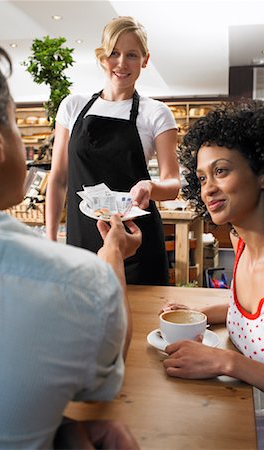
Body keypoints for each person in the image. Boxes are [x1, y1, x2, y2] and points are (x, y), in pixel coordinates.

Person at [0, 19, 142, 450]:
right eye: (13, 120)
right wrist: (113, 255)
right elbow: (106, 372)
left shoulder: (151, 111)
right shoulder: (79, 285)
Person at [160, 101, 264, 450]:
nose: (207, 188)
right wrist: (196, 314)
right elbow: (261, 314)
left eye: (222, 171)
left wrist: (227, 361)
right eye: (201, 178)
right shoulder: (241, 245)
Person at [46, 16, 180, 286]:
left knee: (141, 324)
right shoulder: (72, 107)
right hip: (81, 244)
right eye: (114, 53)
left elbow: (173, 183)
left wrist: (151, 187)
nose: (121, 63)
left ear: (145, 59)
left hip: (136, 242)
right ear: (102, 57)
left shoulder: (156, 113)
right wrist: (50, 243)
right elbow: (58, 178)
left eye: (131, 55)